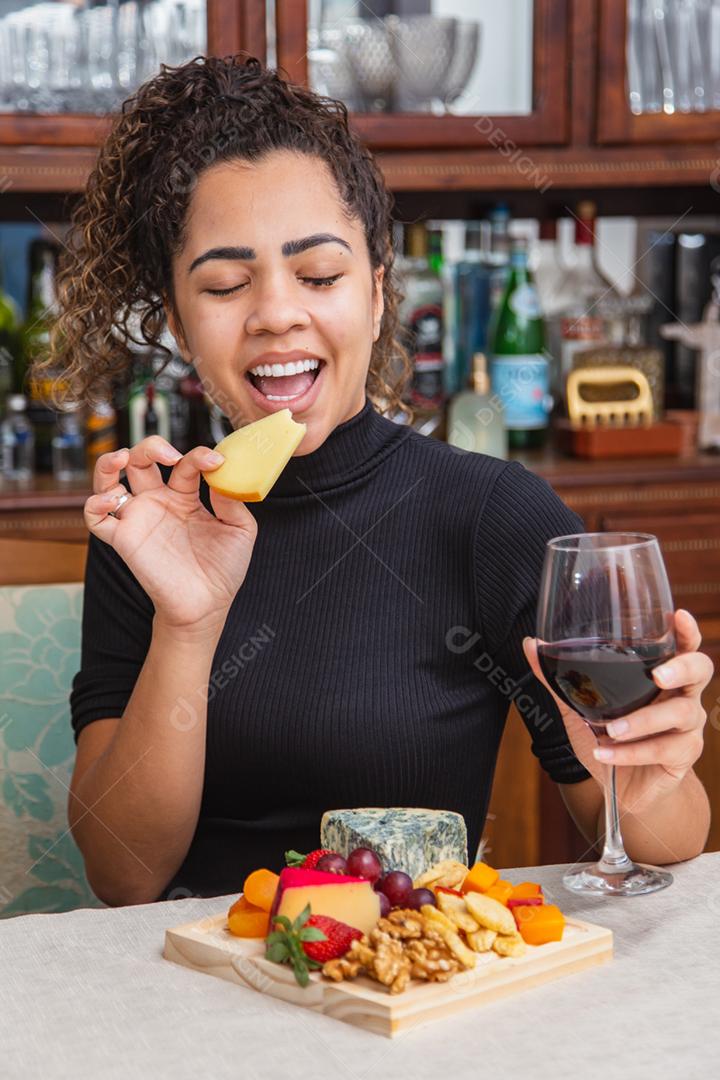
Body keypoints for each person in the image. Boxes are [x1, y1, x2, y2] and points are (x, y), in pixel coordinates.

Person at [42, 56, 712, 906]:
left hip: (416, 993)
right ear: (177, 321)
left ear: (376, 290)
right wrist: (188, 622)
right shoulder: (149, 524)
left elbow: (664, 841)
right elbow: (122, 877)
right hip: (202, 998)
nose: (278, 312)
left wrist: (650, 781)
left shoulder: (490, 514)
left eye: (320, 275)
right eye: (223, 284)